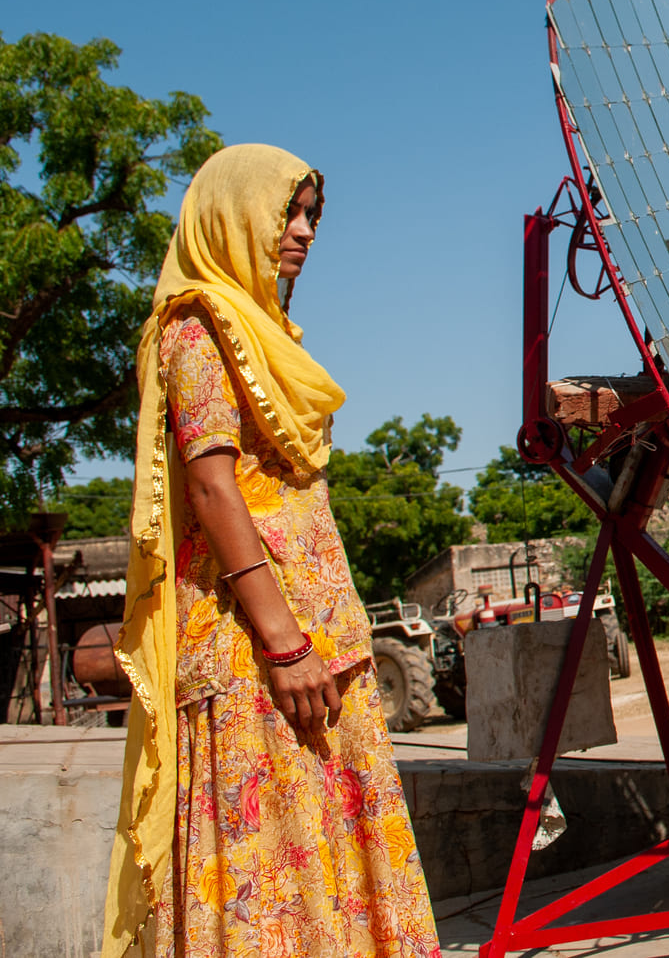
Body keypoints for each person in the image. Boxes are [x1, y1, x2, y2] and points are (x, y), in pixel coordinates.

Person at [102, 145, 439, 957]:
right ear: (231, 214)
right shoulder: (197, 326)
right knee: (275, 886)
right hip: (258, 655)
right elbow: (214, 489)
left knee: (330, 873)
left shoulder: (266, 333)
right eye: (287, 212)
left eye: (313, 216)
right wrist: (284, 640)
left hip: (321, 648)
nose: (302, 232)